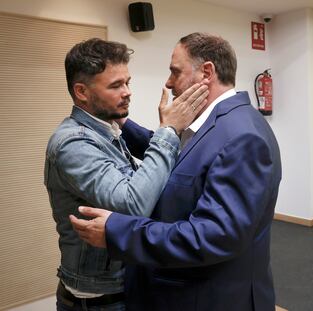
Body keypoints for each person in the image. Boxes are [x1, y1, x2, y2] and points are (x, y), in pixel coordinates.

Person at [71, 32, 282, 311]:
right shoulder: (218, 124)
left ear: (206, 72)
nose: (169, 83)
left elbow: (213, 235)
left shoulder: (242, 137)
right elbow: (184, 164)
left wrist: (118, 231)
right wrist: (122, 121)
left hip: (212, 299)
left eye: (175, 72)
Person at [44, 38, 208, 311]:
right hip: (99, 301)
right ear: (81, 91)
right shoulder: (73, 143)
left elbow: (149, 175)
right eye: (115, 85)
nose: (128, 92)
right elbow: (132, 205)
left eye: (127, 82)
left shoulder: (105, 127)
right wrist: (168, 131)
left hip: (125, 286)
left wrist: (154, 129)